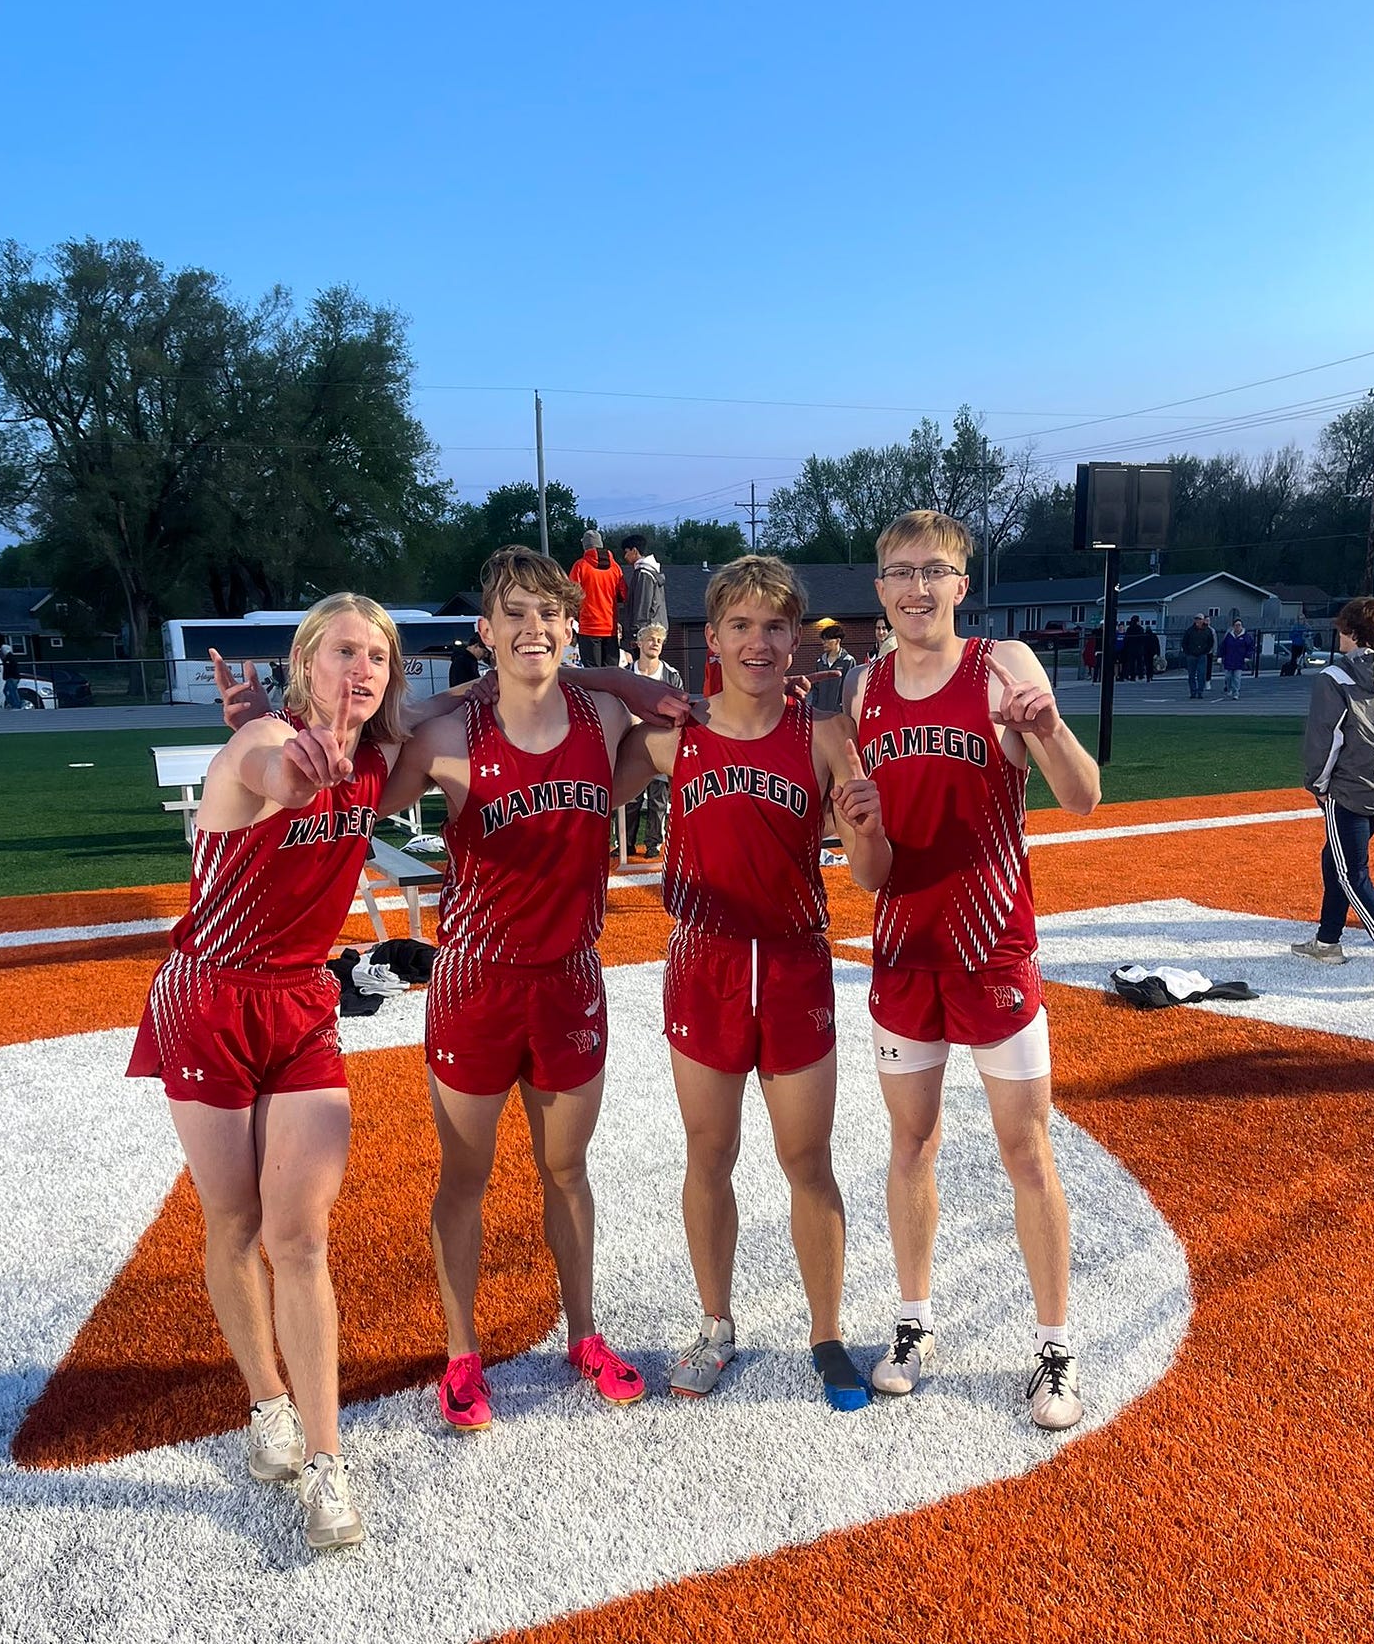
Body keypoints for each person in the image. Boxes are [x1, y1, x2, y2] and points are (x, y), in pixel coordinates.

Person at [131, 596, 419, 1553]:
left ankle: (328, 1458)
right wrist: (293, 756)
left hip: (299, 1003)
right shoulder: (262, 738)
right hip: (208, 997)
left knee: (300, 1237)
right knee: (236, 1221)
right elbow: (273, 772)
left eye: (377, 654)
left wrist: (616, 675)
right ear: (307, 658)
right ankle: (268, 1403)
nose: (362, 667)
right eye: (344, 650)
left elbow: (500, 692)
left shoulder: (377, 760)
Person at [377, 547, 688, 1432]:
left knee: (566, 1169)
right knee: (465, 1175)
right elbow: (366, 784)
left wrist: (623, 684)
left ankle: (584, 1333)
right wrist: (468, 693)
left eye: (549, 612)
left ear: (571, 624)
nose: (533, 628)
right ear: (484, 629)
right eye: (513, 613)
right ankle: (462, 1351)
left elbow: (697, 735)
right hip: (475, 985)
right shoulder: (447, 738)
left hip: (569, 983)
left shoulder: (601, 719)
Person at [610, 554, 889, 1411]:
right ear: (714, 641)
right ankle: (716, 1322)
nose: (760, 642)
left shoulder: (823, 737)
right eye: (742, 625)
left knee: (807, 1158)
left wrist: (867, 829)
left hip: (796, 959)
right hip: (705, 960)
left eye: (776, 626)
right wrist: (619, 684)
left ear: (796, 640)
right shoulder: (671, 736)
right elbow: (573, 773)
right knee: (710, 1151)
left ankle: (827, 1332)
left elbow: (873, 875)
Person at [848, 510, 1102, 1430]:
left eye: (936, 571)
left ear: (963, 584)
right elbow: (870, 857)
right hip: (903, 955)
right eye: (901, 572)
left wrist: (1053, 730)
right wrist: (857, 825)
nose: (918, 587)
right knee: (910, 1145)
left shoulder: (1004, 669)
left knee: (1026, 1152)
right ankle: (914, 1321)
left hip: (993, 951)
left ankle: (1055, 1346)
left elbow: (1080, 796)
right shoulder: (864, 684)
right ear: (879, 589)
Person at [1292, 595, 1374, 994]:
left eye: (1341, 628)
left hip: (1349, 787)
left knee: (1349, 871)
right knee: (1334, 857)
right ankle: (1327, 941)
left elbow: (1326, 739)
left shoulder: (1335, 678)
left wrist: (1318, 785)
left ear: (1353, 632)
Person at [623, 623, 683, 857]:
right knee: (631, 797)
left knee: (658, 798)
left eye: (659, 640)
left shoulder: (671, 675)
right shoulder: (627, 673)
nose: (655, 643)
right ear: (639, 643)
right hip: (630, 741)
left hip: (659, 741)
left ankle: (653, 844)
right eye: (650, 639)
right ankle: (625, 844)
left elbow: (680, 708)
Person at [569, 530, 626, 667]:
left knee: (592, 674)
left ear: (585, 546)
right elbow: (623, 595)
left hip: (589, 628)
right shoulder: (615, 568)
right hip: (610, 628)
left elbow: (570, 594)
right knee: (611, 674)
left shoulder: (580, 566)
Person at [620, 533, 668, 658]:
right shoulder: (652, 572)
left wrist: (636, 634)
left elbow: (642, 605)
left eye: (626, 552)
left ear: (634, 551)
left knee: (642, 669)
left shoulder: (644, 574)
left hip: (645, 633)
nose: (625, 556)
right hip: (656, 629)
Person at [809, 624, 857, 717]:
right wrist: (815, 708)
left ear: (837, 641)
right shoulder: (820, 662)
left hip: (839, 714)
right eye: (823, 639)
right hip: (820, 713)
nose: (824, 642)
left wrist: (843, 708)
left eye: (827, 639)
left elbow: (850, 689)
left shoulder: (848, 661)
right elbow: (816, 688)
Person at [1180, 614, 1215, 700]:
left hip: (1202, 655)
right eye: (1196, 619)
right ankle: (1193, 692)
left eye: (1199, 619)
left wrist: (1206, 651)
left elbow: (1211, 642)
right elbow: (1184, 642)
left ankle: (1200, 692)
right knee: (1191, 675)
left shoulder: (1208, 631)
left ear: (1203, 620)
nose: (1198, 621)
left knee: (1201, 674)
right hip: (1191, 655)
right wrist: (1187, 652)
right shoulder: (1189, 631)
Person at [1220, 618, 1253, 699]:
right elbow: (1223, 647)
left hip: (1239, 660)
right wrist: (1220, 656)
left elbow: (1250, 647)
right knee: (1228, 676)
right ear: (1233, 626)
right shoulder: (1229, 636)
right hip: (1229, 660)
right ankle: (1229, 688)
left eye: (1239, 625)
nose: (1238, 627)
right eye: (1236, 625)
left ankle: (1236, 693)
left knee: (1237, 677)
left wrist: (1247, 656)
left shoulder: (1246, 636)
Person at [1120, 616, 1145, 682]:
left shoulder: (1129, 629)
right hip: (1138, 648)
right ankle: (1141, 675)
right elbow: (1142, 639)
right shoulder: (1140, 629)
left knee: (1131, 663)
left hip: (1130, 648)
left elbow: (1126, 639)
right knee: (1140, 662)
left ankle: (1132, 676)